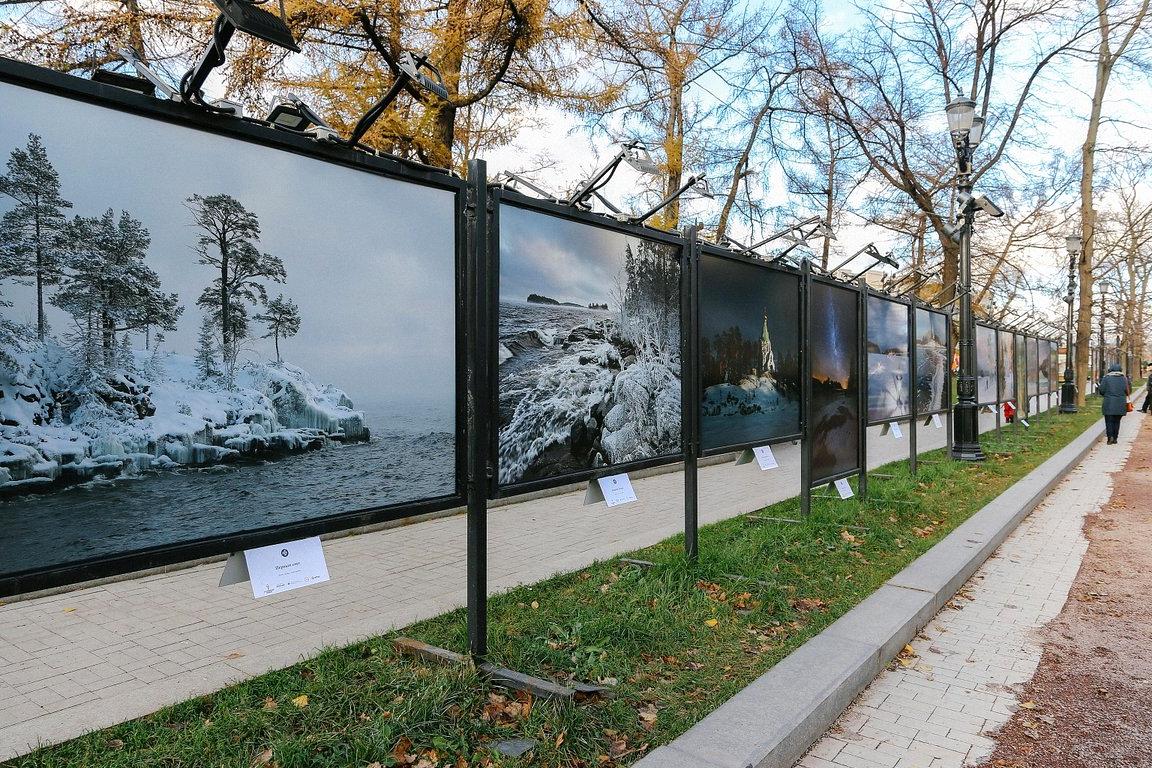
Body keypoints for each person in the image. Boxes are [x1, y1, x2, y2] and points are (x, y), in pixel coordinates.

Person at [1099, 363, 1131, 444]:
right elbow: (1128, 391)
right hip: (1120, 403)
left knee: (1109, 421)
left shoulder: (1106, 378)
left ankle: (1110, 438)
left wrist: (1106, 395)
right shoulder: (1124, 379)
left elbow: (1102, 390)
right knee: (1117, 421)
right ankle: (1115, 438)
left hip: (1108, 402)